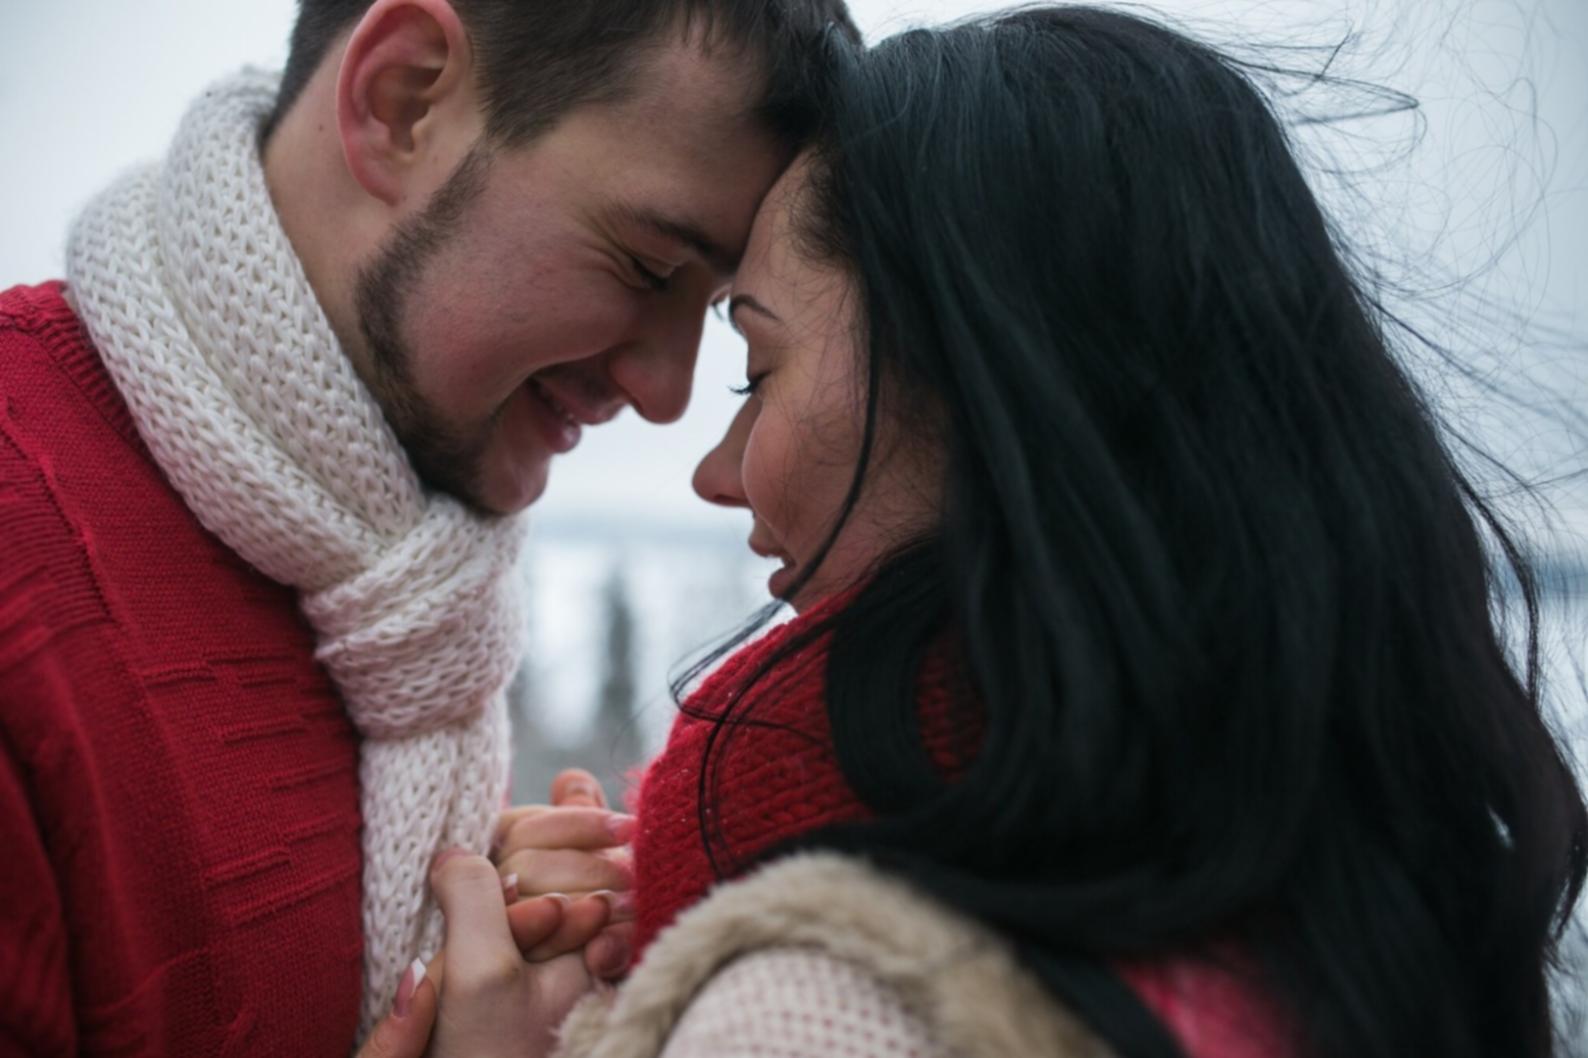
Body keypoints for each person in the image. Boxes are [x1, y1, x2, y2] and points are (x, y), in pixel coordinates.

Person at [368, 6, 1588, 1058]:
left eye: (756, 368)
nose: (713, 470)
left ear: (986, 394)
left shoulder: (831, 1008)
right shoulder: (1361, 923)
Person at [0, 0, 859, 1053]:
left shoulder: (397, 599)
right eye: (644, 266)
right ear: (400, 98)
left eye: (721, 314)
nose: (669, 393)